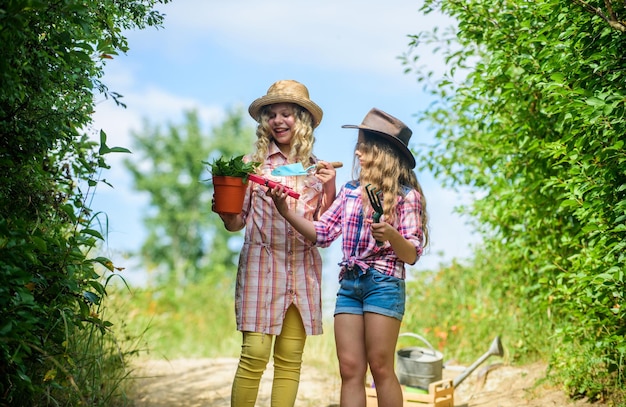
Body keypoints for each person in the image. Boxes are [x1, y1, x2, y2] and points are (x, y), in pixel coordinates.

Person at [268, 107, 429, 407]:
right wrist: (286, 212)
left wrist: (391, 235)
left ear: (383, 153)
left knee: (381, 368)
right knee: (350, 369)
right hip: (350, 285)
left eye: (364, 147)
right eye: (359, 145)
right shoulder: (351, 191)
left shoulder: (408, 197)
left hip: (384, 284)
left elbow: (412, 254)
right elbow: (324, 232)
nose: (357, 153)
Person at [214, 79, 337, 407]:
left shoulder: (317, 169)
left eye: (287, 114)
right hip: (261, 261)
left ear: (303, 121)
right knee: (254, 354)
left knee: (289, 358)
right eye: (272, 114)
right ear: (264, 122)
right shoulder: (249, 165)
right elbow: (236, 222)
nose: (278, 121)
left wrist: (331, 186)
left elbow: (326, 230)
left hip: (302, 266)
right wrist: (225, 213)